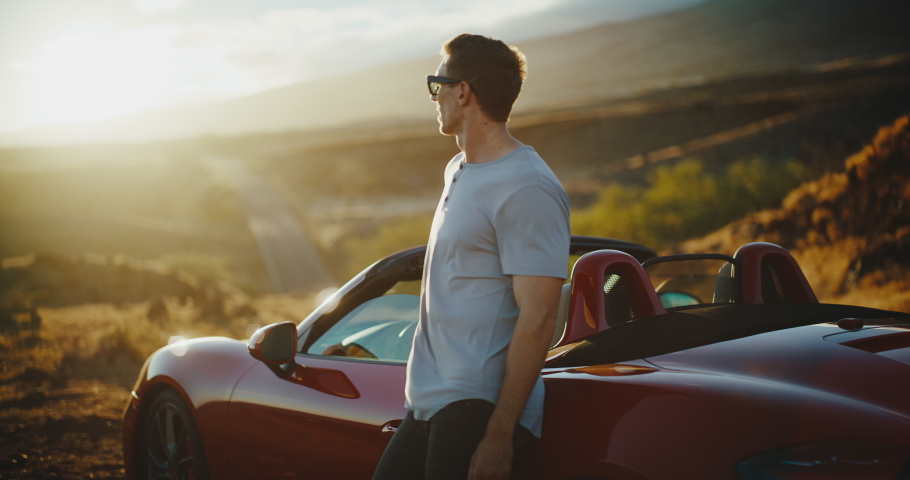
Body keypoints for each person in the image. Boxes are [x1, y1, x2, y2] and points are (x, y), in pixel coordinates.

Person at [372, 33, 570, 480]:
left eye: (437, 83)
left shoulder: (527, 186)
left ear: (463, 92)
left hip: (476, 407)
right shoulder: (458, 169)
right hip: (429, 400)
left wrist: (498, 436)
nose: (434, 95)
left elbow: (538, 318)